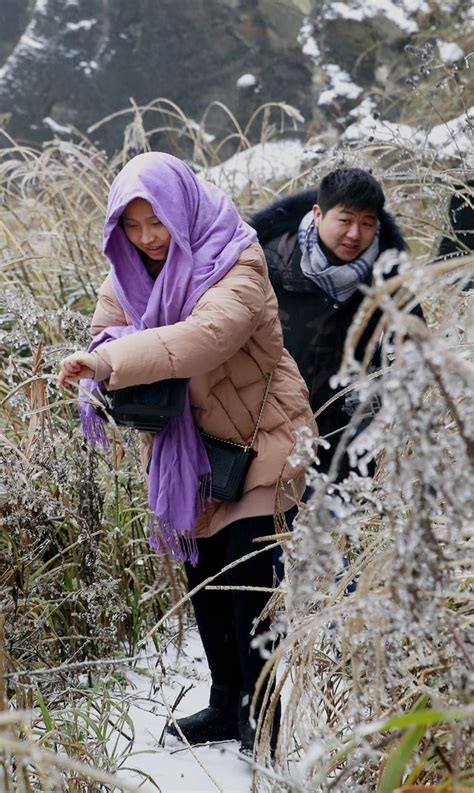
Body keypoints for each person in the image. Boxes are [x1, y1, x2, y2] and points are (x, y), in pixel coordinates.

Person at [58, 152, 316, 755]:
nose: (148, 238)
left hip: (265, 437)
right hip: (191, 453)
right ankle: (226, 704)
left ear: (183, 210)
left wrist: (109, 361)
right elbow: (108, 324)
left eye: (158, 222)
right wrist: (101, 353)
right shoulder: (126, 269)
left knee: (249, 583)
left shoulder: (238, 259)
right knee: (204, 583)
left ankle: (266, 719)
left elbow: (202, 340)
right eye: (133, 225)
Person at [249, 168, 422, 480]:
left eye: (367, 223)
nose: (355, 234)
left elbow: (413, 351)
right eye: (345, 220)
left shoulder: (386, 276)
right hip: (269, 425)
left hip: (345, 433)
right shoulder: (266, 262)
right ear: (318, 214)